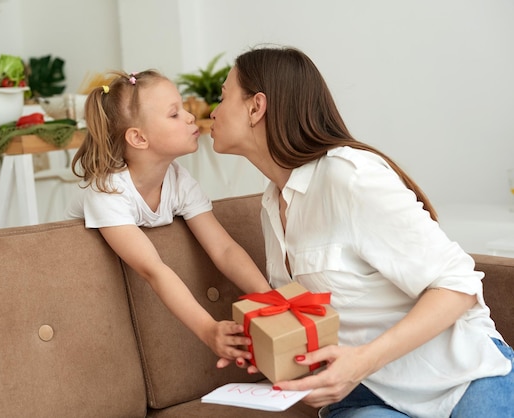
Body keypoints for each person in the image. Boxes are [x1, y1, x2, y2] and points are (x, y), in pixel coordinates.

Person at [209, 46, 513, 417]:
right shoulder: (272, 203)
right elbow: (313, 314)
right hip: (367, 393)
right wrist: (260, 344)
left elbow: (458, 286)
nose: (213, 111)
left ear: (257, 107)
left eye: (223, 97)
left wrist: (360, 362)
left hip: (459, 375)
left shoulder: (349, 176)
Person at [67, 69, 271, 363]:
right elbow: (154, 270)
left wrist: (269, 298)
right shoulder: (108, 192)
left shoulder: (179, 180)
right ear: (138, 137)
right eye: (174, 114)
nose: (190, 117)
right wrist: (208, 330)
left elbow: (223, 249)